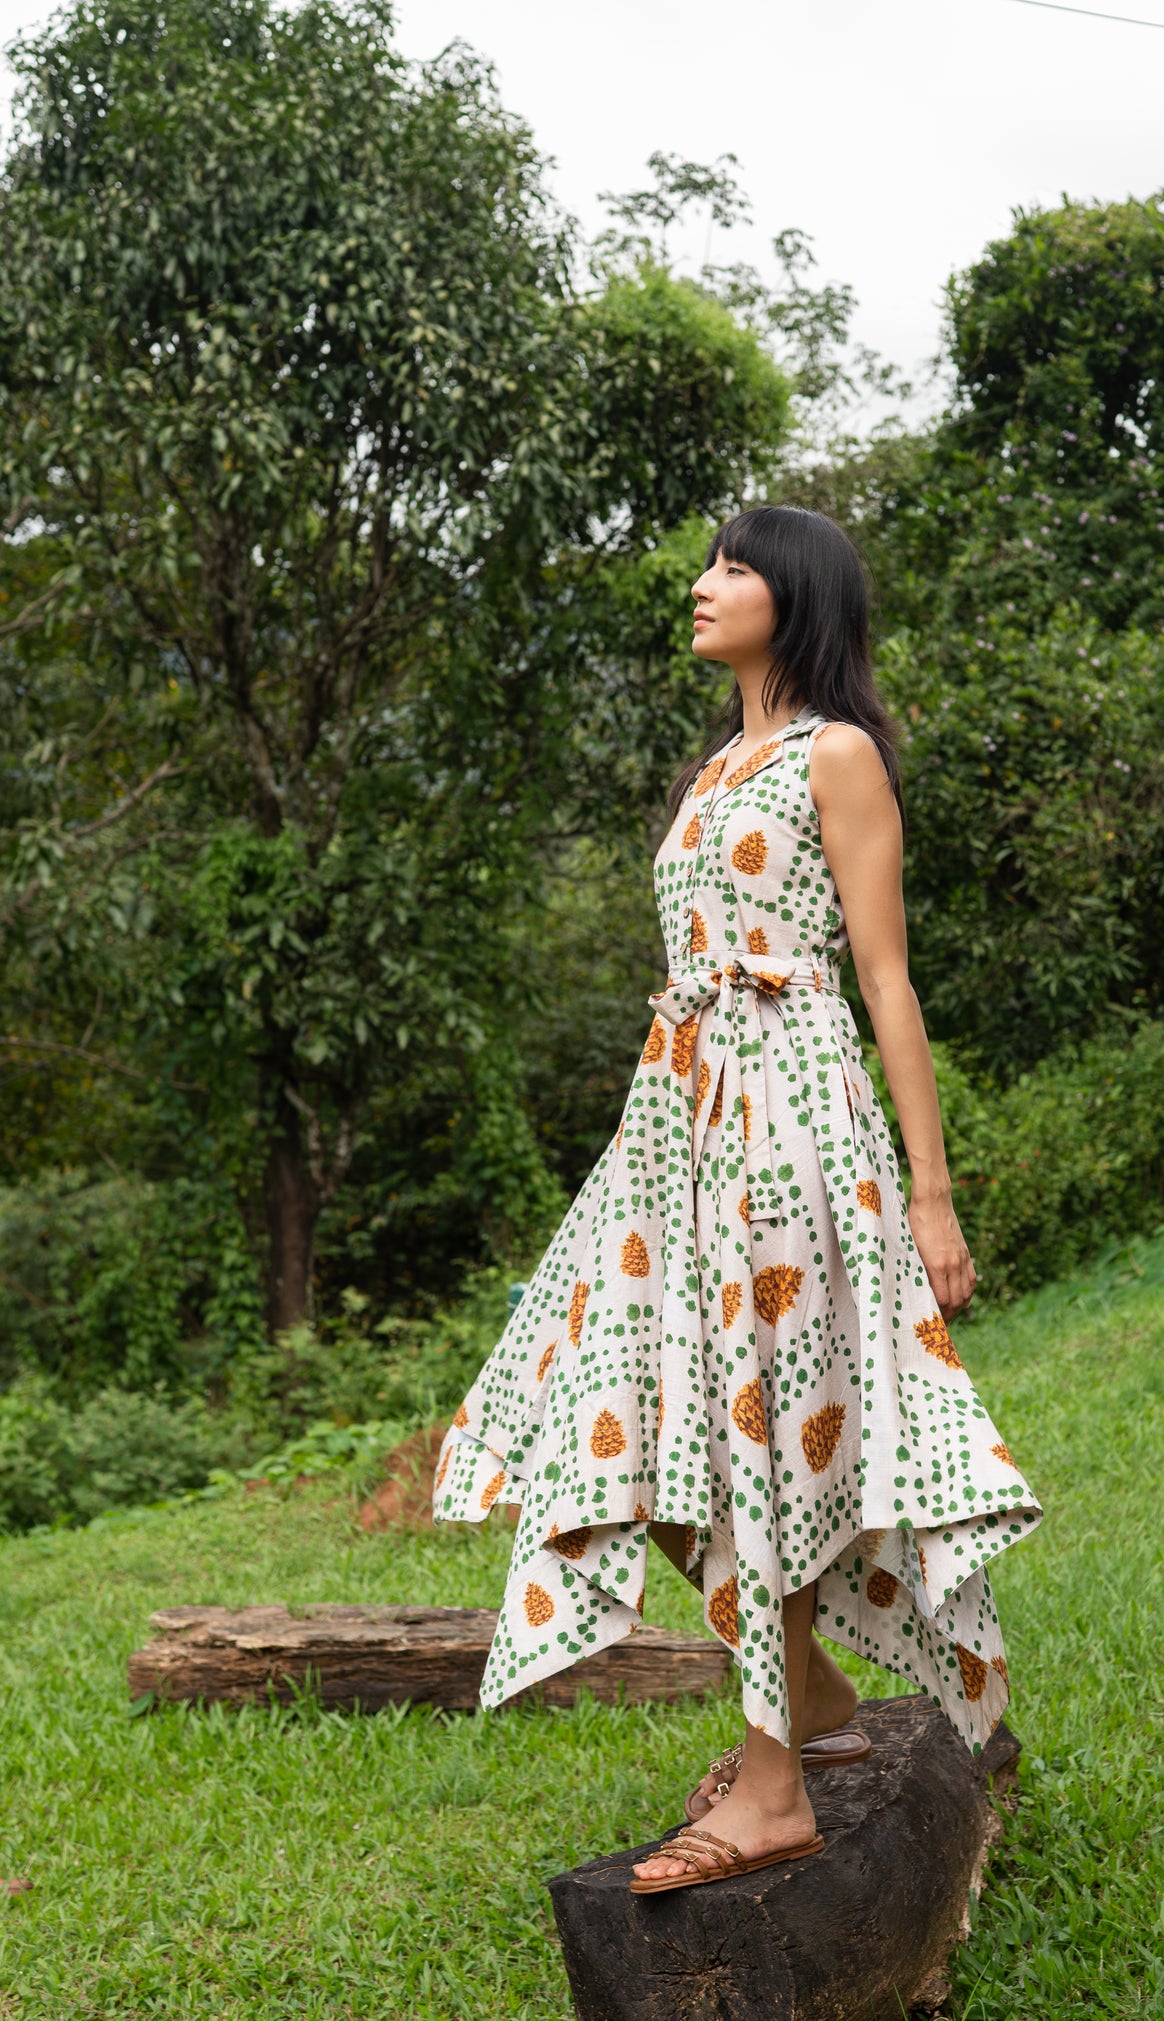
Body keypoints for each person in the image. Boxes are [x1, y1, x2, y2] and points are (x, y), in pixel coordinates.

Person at [433, 504, 1041, 1891]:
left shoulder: (836, 756)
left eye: (731, 565)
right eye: (706, 563)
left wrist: (932, 1198)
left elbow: (885, 979)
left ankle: (774, 1787)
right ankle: (814, 1695)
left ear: (797, 594)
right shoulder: (716, 770)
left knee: (755, 1427)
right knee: (617, 1404)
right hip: (682, 1128)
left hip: (794, 1121)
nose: (702, 585)